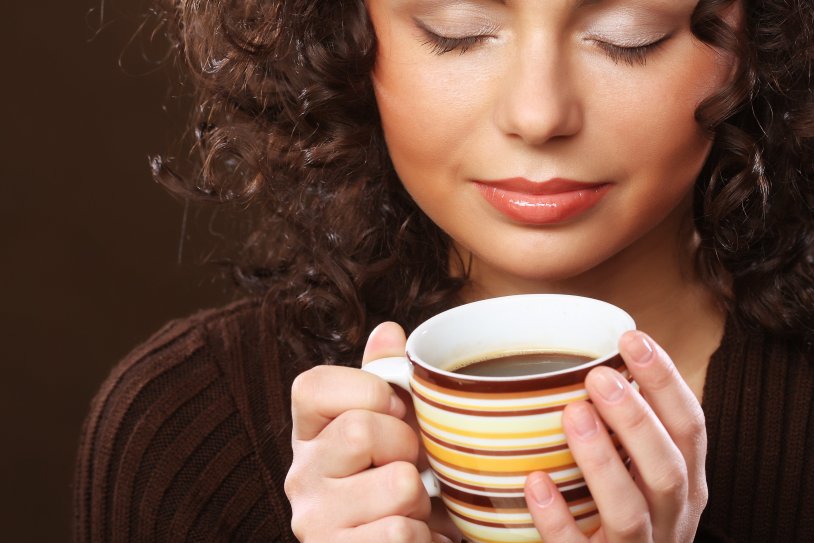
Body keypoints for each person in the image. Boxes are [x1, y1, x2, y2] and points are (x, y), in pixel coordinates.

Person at [73, 0, 813, 541]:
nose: (537, 113)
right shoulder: (184, 434)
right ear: (347, 30)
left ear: (761, 36)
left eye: (630, 39)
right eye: (456, 31)